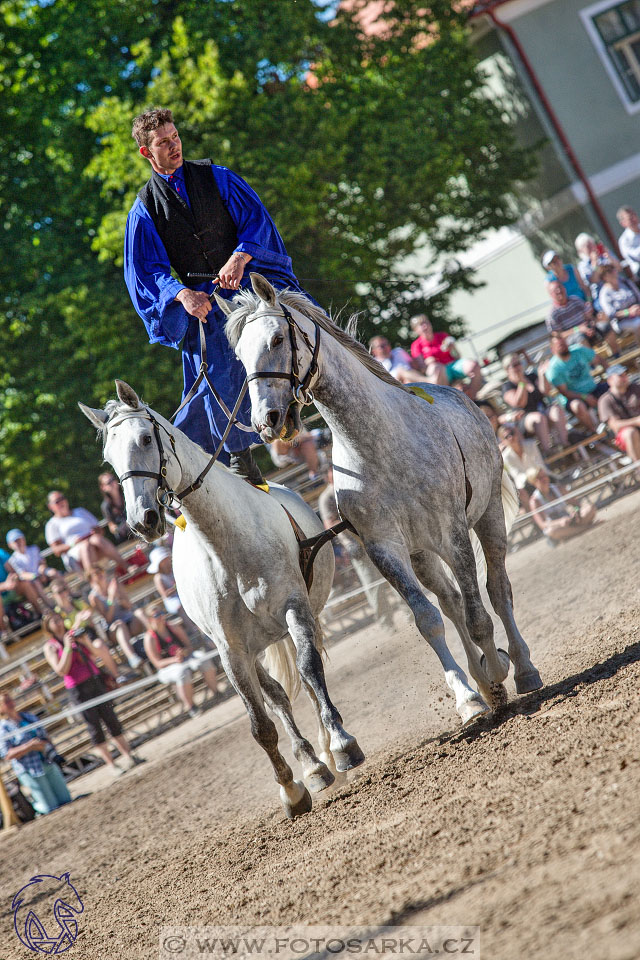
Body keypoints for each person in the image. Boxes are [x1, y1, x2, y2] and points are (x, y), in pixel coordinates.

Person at [124, 107, 316, 485]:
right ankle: (241, 460)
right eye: (164, 143)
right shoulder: (143, 209)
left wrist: (240, 257)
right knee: (211, 372)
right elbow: (145, 270)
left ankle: (311, 398)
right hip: (205, 302)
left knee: (300, 328)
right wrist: (181, 295)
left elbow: (257, 222)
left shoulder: (219, 177)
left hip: (249, 280)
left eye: (175, 137)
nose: (174, 146)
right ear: (147, 152)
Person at [43, 613, 142, 774]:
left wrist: (85, 642)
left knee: (111, 719)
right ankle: (112, 764)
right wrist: (67, 647)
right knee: (94, 727)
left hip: (95, 680)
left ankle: (129, 755)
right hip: (78, 689)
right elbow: (61, 670)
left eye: (59, 619)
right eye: (54, 621)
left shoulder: (74, 636)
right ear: (48, 626)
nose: (59, 623)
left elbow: (96, 654)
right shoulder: (51, 646)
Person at [318, 466, 394, 629]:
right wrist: (349, 541)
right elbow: (329, 523)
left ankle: (409, 613)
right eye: (331, 471)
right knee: (373, 584)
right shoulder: (327, 498)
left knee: (394, 574)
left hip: (373, 538)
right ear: (327, 476)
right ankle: (386, 623)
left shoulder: (350, 486)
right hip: (355, 544)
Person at [0, 692, 71, 815]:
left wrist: (48, 748)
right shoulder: (3, 728)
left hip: (46, 761)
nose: (10, 703)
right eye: (6, 702)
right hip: (29, 769)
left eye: (10, 700)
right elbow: (7, 754)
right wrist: (29, 746)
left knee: (66, 800)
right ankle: (35, 809)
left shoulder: (28, 717)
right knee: (49, 808)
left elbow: (46, 737)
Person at [143, 604, 218, 717]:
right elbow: (157, 663)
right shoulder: (150, 638)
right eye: (157, 615)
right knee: (182, 673)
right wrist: (174, 660)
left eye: (162, 613)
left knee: (203, 659)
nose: (161, 617)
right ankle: (191, 707)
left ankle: (216, 693)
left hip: (185, 659)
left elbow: (189, 647)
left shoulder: (173, 627)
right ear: (150, 619)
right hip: (167, 668)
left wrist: (183, 652)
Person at [50, 580, 121, 682]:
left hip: (88, 636)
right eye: (59, 592)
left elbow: (91, 624)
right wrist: (78, 621)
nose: (63, 594)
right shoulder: (57, 614)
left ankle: (117, 676)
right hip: (75, 644)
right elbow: (65, 636)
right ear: (53, 595)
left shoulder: (79, 604)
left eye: (64, 590)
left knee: (99, 645)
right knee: (93, 652)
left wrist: (87, 619)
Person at [44, 492, 130, 575]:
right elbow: (56, 550)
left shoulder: (80, 511)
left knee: (96, 539)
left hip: (95, 544)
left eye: (62, 498)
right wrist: (74, 543)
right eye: (57, 501)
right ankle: (94, 578)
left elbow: (99, 530)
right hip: (74, 553)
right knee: (86, 546)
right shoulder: (52, 524)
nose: (61, 502)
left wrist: (94, 533)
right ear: (50, 506)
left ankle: (125, 566)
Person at [540, 332, 609, 433]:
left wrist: (611, 374)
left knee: (615, 386)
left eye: (564, 343)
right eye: (560, 345)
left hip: (593, 388)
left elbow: (599, 359)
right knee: (577, 406)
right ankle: (596, 432)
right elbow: (565, 393)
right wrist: (585, 397)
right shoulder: (554, 369)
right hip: (574, 398)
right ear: (553, 349)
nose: (564, 347)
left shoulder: (578, 350)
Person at [501, 353, 568, 453]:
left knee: (556, 409)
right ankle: (548, 450)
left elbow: (546, 392)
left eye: (519, 363)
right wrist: (522, 383)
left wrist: (542, 375)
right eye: (514, 365)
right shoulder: (507, 387)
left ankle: (565, 443)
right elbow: (520, 403)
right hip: (525, 419)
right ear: (507, 370)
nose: (518, 367)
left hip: (542, 411)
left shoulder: (531, 376)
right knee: (539, 418)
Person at [87, 566, 148, 670]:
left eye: (100, 571)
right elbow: (108, 618)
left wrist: (118, 598)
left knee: (140, 612)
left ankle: (158, 637)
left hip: (130, 621)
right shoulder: (94, 597)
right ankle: (132, 658)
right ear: (91, 579)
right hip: (114, 630)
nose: (100, 575)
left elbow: (129, 606)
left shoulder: (115, 584)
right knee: (120, 624)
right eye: (95, 574)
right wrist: (111, 598)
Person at [409, 314, 483, 399]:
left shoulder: (442, 336)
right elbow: (422, 369)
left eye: (426, 322)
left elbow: (458, 357)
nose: (425, 326)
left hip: (452, 367)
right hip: (439, 373)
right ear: (415, 330)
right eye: (421, 324)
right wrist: (428, 362)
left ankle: (473, 398)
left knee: (473, 365)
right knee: (436, 368)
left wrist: (453, 348)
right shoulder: (416, 345)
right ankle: (447, 400)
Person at [546, 279, 618, 355]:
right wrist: (578, 329)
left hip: (588, 329)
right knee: (580, 337)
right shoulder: (552, 314)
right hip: (573, 338)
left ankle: (616, 355)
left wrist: (591, 325)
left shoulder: (575, 299)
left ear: (564, 288)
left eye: (560, 287)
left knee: (605, 326)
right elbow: (558, 336)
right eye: (555, 290)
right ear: (551, 295)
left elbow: (588, 316)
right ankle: (593, 362)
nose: (559, 291)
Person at [527, 467, 596, 542]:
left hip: (569, 521)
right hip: (557, 526)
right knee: (551, 531)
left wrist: (576, 512)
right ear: (533, 482)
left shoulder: (558, 488)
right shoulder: (534, 501)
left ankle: (573, 533)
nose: (544, 479)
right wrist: (560, 522)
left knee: (590, 508)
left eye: (545, 476)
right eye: (540, 478)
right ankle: (587, 528)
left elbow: (577, 505)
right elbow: (542, 524)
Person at [597, 365, 640, 476]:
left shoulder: (635, 388)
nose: (624, 378)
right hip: (624, 438)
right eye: (620, 376)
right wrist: (636, 421)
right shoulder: (605, 400)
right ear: (610, 380)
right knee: (630, 432)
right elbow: (614, 425)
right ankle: (638, 468)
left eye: (625, 375)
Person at [497, 424, 546, 512]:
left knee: (541, 480)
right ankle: (535, 518)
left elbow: (540, 464)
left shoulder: (531, 444)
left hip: (541, 476)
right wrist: (532, 477)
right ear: (503, 441)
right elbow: (518, 476)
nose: (511, 437)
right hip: (526, 483)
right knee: (522, 492)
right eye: (506, 436)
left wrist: (535, 477)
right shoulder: (506, 457)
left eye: (512, 433)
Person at [147, 545, 196, 631]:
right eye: (163, 560)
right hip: (172, 600)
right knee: (180, 606)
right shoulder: (158, 577)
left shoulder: (175, 568)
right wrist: (177, 587)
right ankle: (192, 628)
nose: (166, 561)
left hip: (183, 593)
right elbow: (165, 594)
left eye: (166, 558)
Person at [594, 263, 640, 344]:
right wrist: (628, 312)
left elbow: (638, 297)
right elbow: (611, 314)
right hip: (621, 322)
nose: (613, 272)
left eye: (613, 269)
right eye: (609, 271)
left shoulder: (626, 282)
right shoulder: (604, 294)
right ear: (604, 277)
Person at [574, 233, 621, 311]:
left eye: (592, 244)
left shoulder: (604, 256)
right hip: (601, 295)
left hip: (619, 288)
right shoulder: (583, 266)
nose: (591, 248)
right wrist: (595, 262)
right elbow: (594, 280)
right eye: (587, 246)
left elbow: (619, 268)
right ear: (581, 250)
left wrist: (609, 256)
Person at [98, 473, 130, 545]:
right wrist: (120, 528)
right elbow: (112, 527)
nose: (113, 483)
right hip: (125, 537)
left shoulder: (128, 495)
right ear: (103, 487)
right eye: (109, 482)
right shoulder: (106, 506)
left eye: (113, 479)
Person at [617, 206, 640, 278]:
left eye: (634, 215)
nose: (634, 219)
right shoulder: (624, 241)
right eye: (630, 218)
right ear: (623, 223)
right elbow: (637, 256)